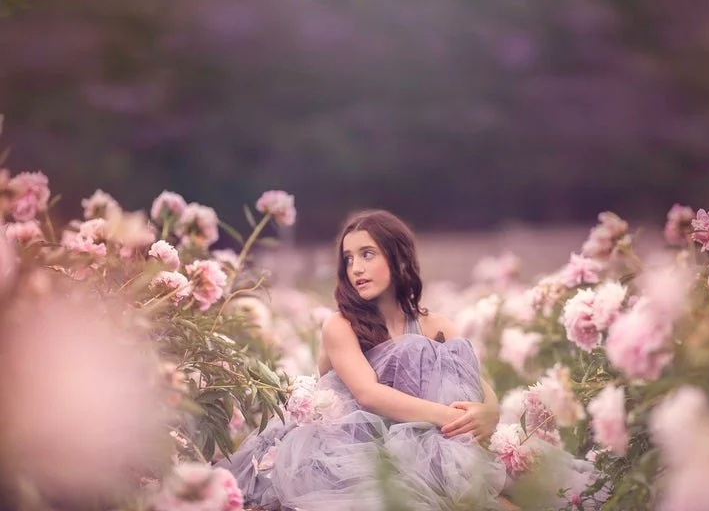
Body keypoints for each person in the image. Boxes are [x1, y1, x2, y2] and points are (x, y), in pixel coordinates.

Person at [218, 209, 518, 511]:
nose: (356, 268)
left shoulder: (433, 325)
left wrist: (489, 410)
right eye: (349, 258)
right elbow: (368, 394)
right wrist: (453, 419)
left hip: (412, 442)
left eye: (367, 254)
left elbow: (472, 378)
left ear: (398, 258)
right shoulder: (341, 325)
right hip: (340, 449)